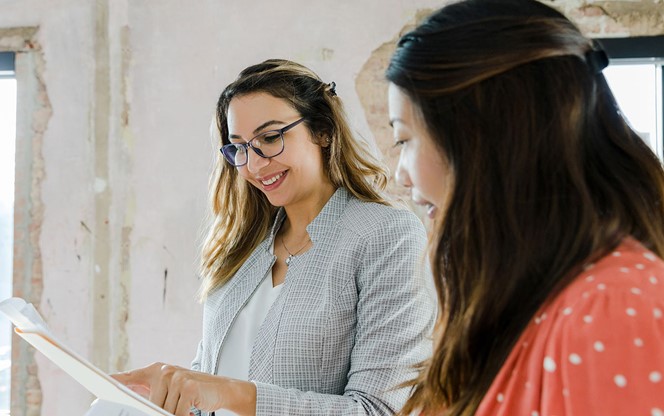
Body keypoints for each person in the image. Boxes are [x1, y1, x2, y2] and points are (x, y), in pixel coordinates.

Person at [385, 0, 664, 415]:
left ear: (482, 140)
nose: (400, 175)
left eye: (405, 140)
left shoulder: (615, 305)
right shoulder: (529, 294)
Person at [113, 59, 435, 416]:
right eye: (240, 147)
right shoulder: (242, 247)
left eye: (270, 138)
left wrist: (233, 395)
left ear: (323, 131)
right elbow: (210, 387)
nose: (254, 165)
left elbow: (379, 410)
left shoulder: (387, 236)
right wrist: (162, 395)